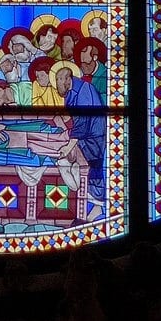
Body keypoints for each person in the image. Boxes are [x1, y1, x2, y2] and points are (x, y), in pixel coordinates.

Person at [53, 60, 106, 219]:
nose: (58, 85)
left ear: (67, 79)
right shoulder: (71, 92)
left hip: (94, 136)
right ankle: (87, 208)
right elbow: (75, 117)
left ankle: (97, 206)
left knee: (94, 167)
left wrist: (69, 146)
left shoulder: (83, 89)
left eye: (59, 81)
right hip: (85, 137)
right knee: (87, 167)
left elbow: (83, 119)